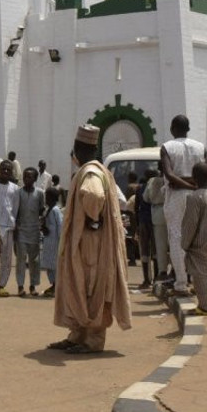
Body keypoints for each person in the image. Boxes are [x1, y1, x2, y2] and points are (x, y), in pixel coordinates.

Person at [49, 124, 132, 355]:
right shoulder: (94, 169)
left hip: (90, 244)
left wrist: (92, 219)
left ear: (77, 148)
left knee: (92, 288)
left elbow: (94, 195)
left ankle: (93, 340)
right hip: (87, 242)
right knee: (79, 286)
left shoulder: (91, 172)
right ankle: (77, 335)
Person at [160, 114, 204, 297]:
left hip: (177, 197)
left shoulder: (167, 148)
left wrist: (183, 183)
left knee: (177, 240)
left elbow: (170, 176)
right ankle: (198, 282)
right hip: (199, 194)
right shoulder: (200, 147)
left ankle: (181, 284)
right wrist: (195, 184)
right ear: (188, 128)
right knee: (197, 239)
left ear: (172, 129)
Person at [181, 162, 207, 316]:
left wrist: (184, 243)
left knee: (199, 275)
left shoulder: (194, 197)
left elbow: (190, 224)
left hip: (199, 242)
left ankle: (205, 306)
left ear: (194, 178)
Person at [0, 159, 20, 296]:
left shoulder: (15, 188)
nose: (6, 171)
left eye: (8, 169)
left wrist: (15, 224)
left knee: (6, 259)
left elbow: (16, 208)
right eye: (4, 169)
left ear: (11, 172)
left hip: (7, 227)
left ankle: (1, 286)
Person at [13, 166, 46, 296]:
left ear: (35, 179)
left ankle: (33, 286)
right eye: (25, 176)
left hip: (34, 230)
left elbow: (41, 210)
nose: (26, 178)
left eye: (29, 176)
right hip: (21, 230)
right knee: (21, 259)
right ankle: (20, 286)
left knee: (35, 260)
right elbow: (15, 212)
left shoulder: (39, 193)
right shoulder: (18, 193)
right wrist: (15, 230)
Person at [40, 187, 63, 297]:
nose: (46, 199)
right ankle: (54, 284)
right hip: (48, 241)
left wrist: (61, 241)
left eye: (48, 197)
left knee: (55, 265)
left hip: (55, 242)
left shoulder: (55, 210)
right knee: (49, 264)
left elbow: (60, 226)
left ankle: (57, 286)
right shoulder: (48, 210)